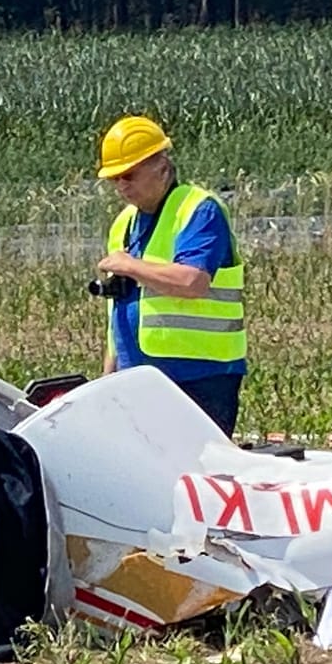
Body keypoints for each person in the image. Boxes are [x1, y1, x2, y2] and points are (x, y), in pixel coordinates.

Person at [94, 115, 246, 436]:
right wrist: (107, 378)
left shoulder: (198, 210)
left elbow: (193, 282)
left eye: (129, 175)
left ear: (161, 167)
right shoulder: (123, 224)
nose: (121, 186)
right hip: (138, 376)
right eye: (114, 179)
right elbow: (118, 311)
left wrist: (131, 265)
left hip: (199, 377)